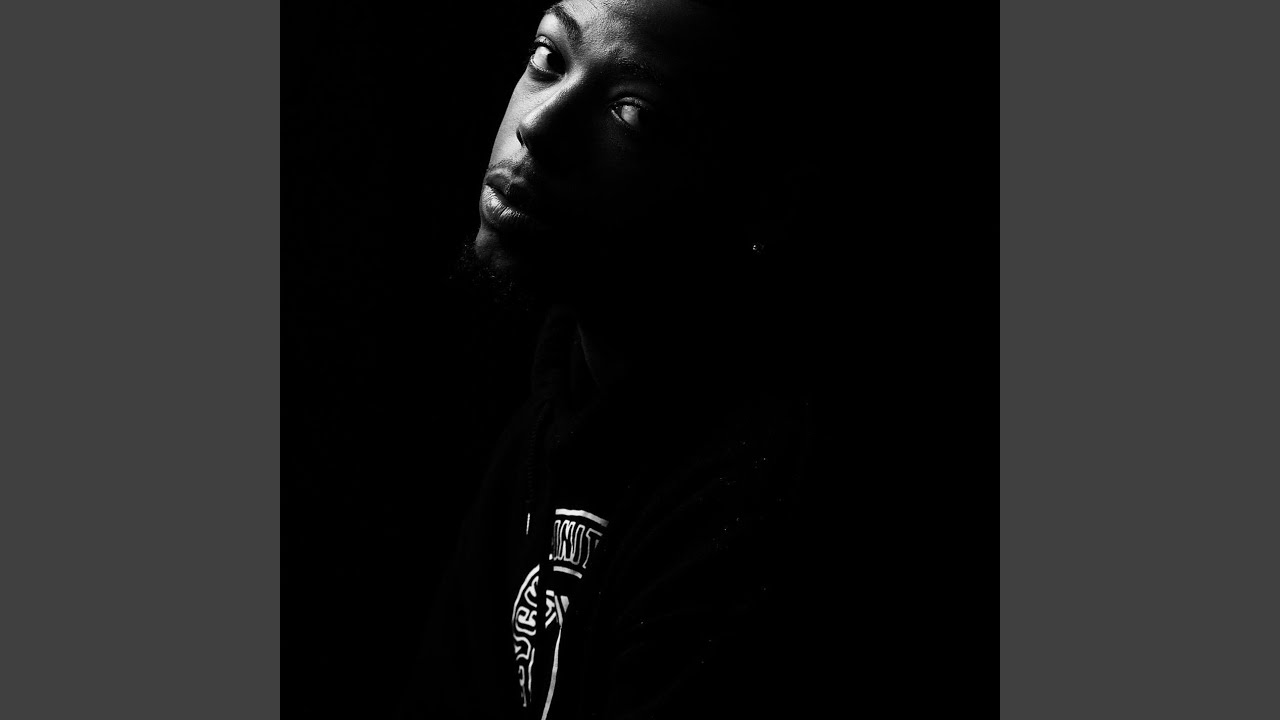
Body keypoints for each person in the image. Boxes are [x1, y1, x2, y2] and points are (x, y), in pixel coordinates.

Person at [397, 0, 832, 716]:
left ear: (765, 201)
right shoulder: (553, 410)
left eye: (634, 112)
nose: (537, 126)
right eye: (549, 59)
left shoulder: (763, 503)